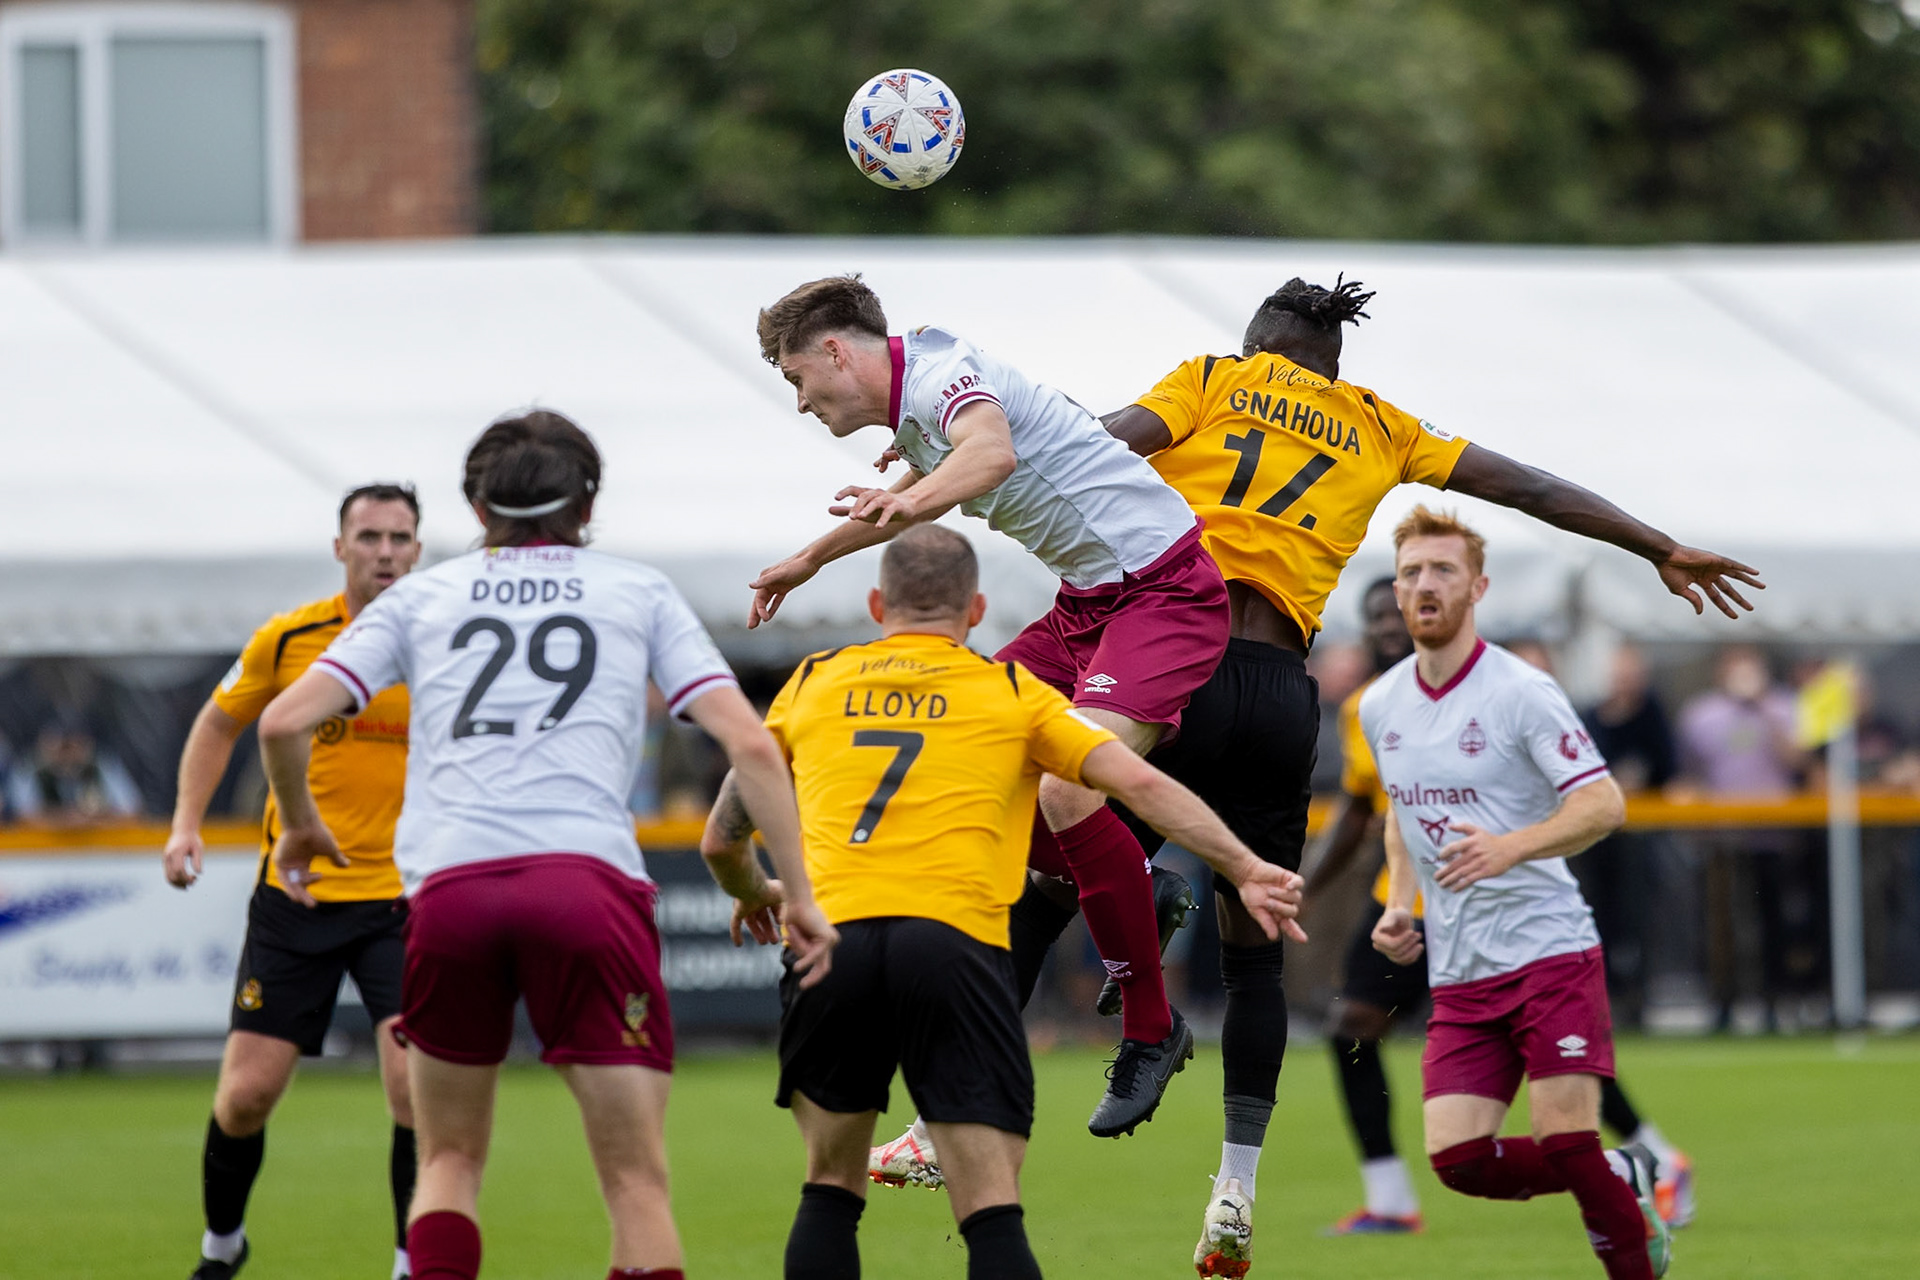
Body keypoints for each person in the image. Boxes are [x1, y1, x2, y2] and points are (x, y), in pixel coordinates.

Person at [975, 274, 1756, 1277]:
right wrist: (1655, 542)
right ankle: (1234, 1192)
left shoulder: (1216, 378)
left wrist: (966, 447)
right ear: (1333, 361)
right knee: (1255, 955)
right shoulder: (1381, 424)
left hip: (1184, 655)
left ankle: (972, 1103)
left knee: (1052, 867)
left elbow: (1100, 440)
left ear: (1259, 342)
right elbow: (1528, 486)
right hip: (1279, 691)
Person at [254, 411, 835, 1280]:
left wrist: (299, 821)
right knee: (636, 1181)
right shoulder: (634, 590)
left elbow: (281, 721)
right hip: (585, 887)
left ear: (475, 506)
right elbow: (751, 746)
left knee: (447, 1163)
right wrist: (798, 892)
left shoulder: (423, 594)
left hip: (450, 892)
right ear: (589, 500)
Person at [701, 525, 1307, 1280]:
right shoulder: (1008, 690)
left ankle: (1141, 910)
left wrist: (756, 890)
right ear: (978, 609)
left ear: (876, 602)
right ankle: (1144, 914)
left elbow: (722, 837)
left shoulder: (814, 682)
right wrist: (1244, 865)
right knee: (990, 1212)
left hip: (833, 942)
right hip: (952, 948)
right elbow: (1138, 787)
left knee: (828, 1193)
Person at [749, 275, 1230, 1135]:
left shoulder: (941, 381)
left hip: (1164, 594)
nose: (800, 402)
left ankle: (1153, 1031)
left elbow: (992, 453)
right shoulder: (916, 400)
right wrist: (808, 559)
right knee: (970, 763)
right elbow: (911, 501)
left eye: (795, 379)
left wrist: (912, 495)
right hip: (1086, 604)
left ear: (833, 350)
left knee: (1067, 789)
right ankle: (1125, 885)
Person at [1309, 584, 1694, 1236]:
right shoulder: (1367, 709)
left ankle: (1651, 1154)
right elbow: (1366, 808)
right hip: (1410, 905)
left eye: (1397, 611)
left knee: (1555, 1057)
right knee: (1351, 1029)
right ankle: (1391, 1196)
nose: (1390, 626)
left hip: (1500, 902)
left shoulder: (1498, 691)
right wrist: (1304, 885)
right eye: (1377, 618)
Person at [1363, 505, 1671, 1279]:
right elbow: (1402, 819)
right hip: (1463, 970)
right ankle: (1622, 1173)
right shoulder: (1379, 704)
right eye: (1411, 573)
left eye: (1442, 570)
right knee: (1460, 1161)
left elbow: (1604, 803)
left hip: (1549, 951)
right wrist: (1403, 905)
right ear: (1397, 594)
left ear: (1478, 588)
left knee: (1567, 1139)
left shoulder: (1522, 691)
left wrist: (1513, 847)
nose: (1424, 585)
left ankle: (1619, 1222)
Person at [161, 482, 423, 1280]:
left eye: (400, 537)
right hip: (297, 901)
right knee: (244, 1098)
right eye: (369, 536)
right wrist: (185, 824)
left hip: (405, 901)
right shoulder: (292, 638)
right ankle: (221, 1248)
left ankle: (413, 1264)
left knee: (415, 1092)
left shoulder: (445, 641)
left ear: (419, 549)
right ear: (340, 547)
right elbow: (218, 720)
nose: (385, 551)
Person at [9, 720, 144, 822]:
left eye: (74, 745)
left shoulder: (103, 767)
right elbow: (23, 816)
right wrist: (66, 818)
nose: (67, 755)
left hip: (99, 849)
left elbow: (132, 811)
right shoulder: (31, 768)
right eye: (61, 747)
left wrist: (93, 818)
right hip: (40, 851)